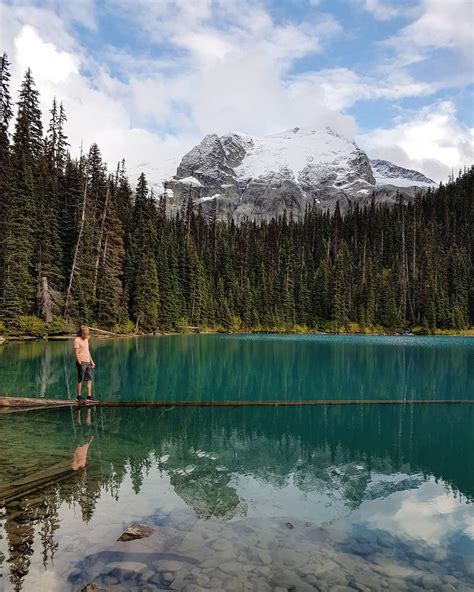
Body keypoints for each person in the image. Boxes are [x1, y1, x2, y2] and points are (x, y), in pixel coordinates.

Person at [74, 325, 96, 402]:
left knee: (89, 379)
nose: (86, 334)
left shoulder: (86, 339)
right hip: (81, 362)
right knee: (80, 379)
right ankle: (78, 397)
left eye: (87, 333)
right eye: (85, 333)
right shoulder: (77, 340)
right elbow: (76, 353)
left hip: (87, 362)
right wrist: (79, 362)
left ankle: (89, 396)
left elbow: (87, 351)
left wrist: (91, 361)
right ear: (81, 332)